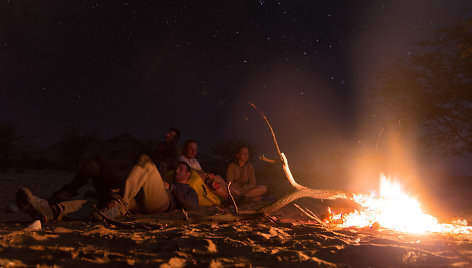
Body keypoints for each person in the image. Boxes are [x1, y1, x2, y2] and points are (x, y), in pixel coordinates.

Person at [16, 156, 198, 223]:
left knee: (145, 160)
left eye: (182, 169)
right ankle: (50, 210)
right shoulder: (161, 177)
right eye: (177, 168)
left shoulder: (186, 188)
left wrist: (172, 187)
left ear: (188, 175)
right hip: (134, 201)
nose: (178, 171)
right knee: (95, 204)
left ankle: (119, 203)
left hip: (161, 201)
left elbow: (192, 205)